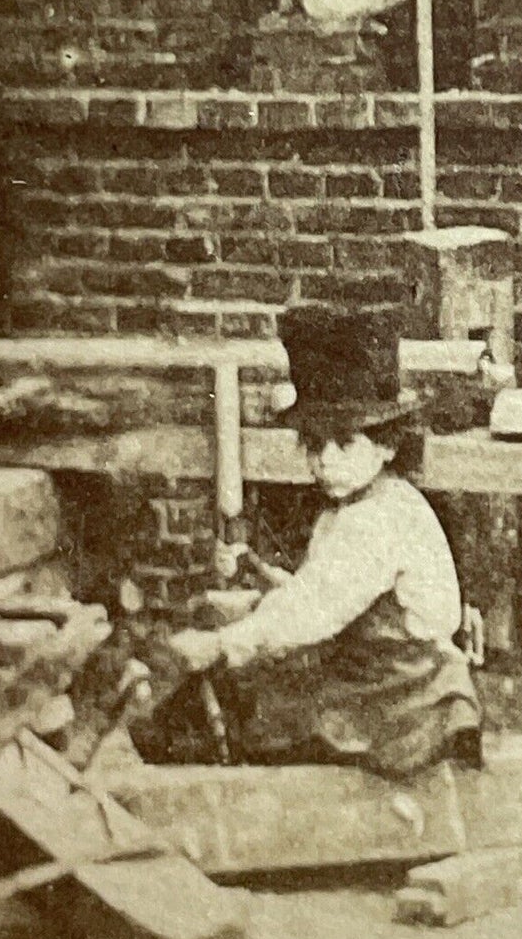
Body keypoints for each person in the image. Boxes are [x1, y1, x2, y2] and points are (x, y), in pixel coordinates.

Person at [159, 306, 482, 779]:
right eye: (313, 444)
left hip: (405, 694)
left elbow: (312, 611)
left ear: (386, 445)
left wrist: (223, 644)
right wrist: (260, 572)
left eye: (343, 444)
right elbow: (323, 589)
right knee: (264, 678)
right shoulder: (349, 509)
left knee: (259, 704)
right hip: (375, 670)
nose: (325, 461)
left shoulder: (377, 520)